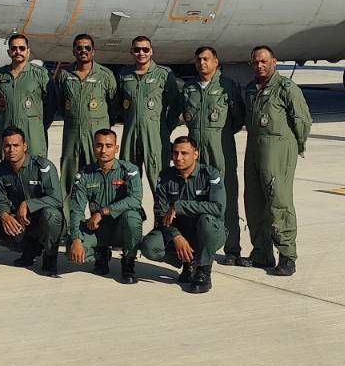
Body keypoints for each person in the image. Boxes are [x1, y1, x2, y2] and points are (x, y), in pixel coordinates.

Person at [243, 45, 311, 276]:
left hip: (278, 148)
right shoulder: (251, 89)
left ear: (274, 61)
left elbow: (302, 120)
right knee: (254, 201)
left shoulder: (286, 88)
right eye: (255, 62)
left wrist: (296, 145)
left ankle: (287, 255)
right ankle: (261, 253)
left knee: (278, 201)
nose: (259, 66)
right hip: (254, 147)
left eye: (264, 61)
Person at [180, 45, 247, 265]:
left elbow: (238, 119)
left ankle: (232, 248)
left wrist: (220, 136)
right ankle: (199, 245)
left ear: (216, 62)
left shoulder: (227, 86)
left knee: (225, 198)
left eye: (207, 59)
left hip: (221, 150)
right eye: (199, 59)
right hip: (196, 153)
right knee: (195, 197)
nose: (202, 63)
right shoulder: (189, 88)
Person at [139, 137, 225, 294]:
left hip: (208, 231)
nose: (178, 158)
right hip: (180, 231)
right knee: (149, 246)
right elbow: (160, 214)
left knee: (207, 220)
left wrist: (180, 206)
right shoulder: (166, 176)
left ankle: (204, 272)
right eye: (175, 153)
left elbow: (218, 208)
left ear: (196, 154)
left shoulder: (209, 174)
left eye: (184, 153)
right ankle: (189, 262)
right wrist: (176, 236)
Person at [50, 33, 116, 228]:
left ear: (93, 51)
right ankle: (69, 226)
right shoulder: (64, 75)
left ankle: (101, 225)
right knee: (69, 179)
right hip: (72, 135)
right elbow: (61, 103)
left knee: (97, 179)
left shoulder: (105, 75)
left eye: (87, 48)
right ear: (74, 51)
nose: (83, 51)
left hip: (95, 136)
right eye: (79, 48)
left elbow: (113, 105)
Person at [67, 129, 143, 285]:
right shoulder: (85, 175)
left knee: (133, 218)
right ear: (93, 147)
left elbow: (135, 199)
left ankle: (128, 262)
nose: (103, 150)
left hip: (122, 227)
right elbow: (76, 209)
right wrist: (76, 238)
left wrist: (103, 212)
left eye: (108, 146)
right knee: (71, 250)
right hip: (98, 229)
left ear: (116, 148)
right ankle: (100, 254)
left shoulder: (129, 171)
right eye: (99, 145)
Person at [0, 126, 63, 277]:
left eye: (16, 145)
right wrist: (4, 215)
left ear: (25, 146)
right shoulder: (2, 169)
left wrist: (28, 204)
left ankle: (50, 256)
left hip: (43, 220)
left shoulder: (43, 166)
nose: (11, 150)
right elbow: (1, 199)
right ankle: (29, 249)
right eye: (7, 146)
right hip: (21, 222)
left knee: (51, 215)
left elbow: (56, 199)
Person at [115, 36, 183, 186]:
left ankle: (163, 209)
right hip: (130, 135)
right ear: (131, 52)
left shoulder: (163, 74)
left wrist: (165, 127)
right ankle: (131, 210)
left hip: (156, 135)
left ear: (151, 51)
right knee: (127, 179)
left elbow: (176, 104)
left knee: (159, 179)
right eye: (137, 50)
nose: (141, 53)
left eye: (145, 49)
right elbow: (118, 103)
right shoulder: (124, 75)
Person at [0, 33, 52, 175]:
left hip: (33, 134)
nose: (17, 51)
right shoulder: (0, 75)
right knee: (9, 172)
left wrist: (38, 125)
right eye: (14, 48)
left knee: (37, 170)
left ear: (28, 51)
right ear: (9, 52)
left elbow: (51, 105)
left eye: (21, 48)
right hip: (8, 132)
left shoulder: (40, 74)